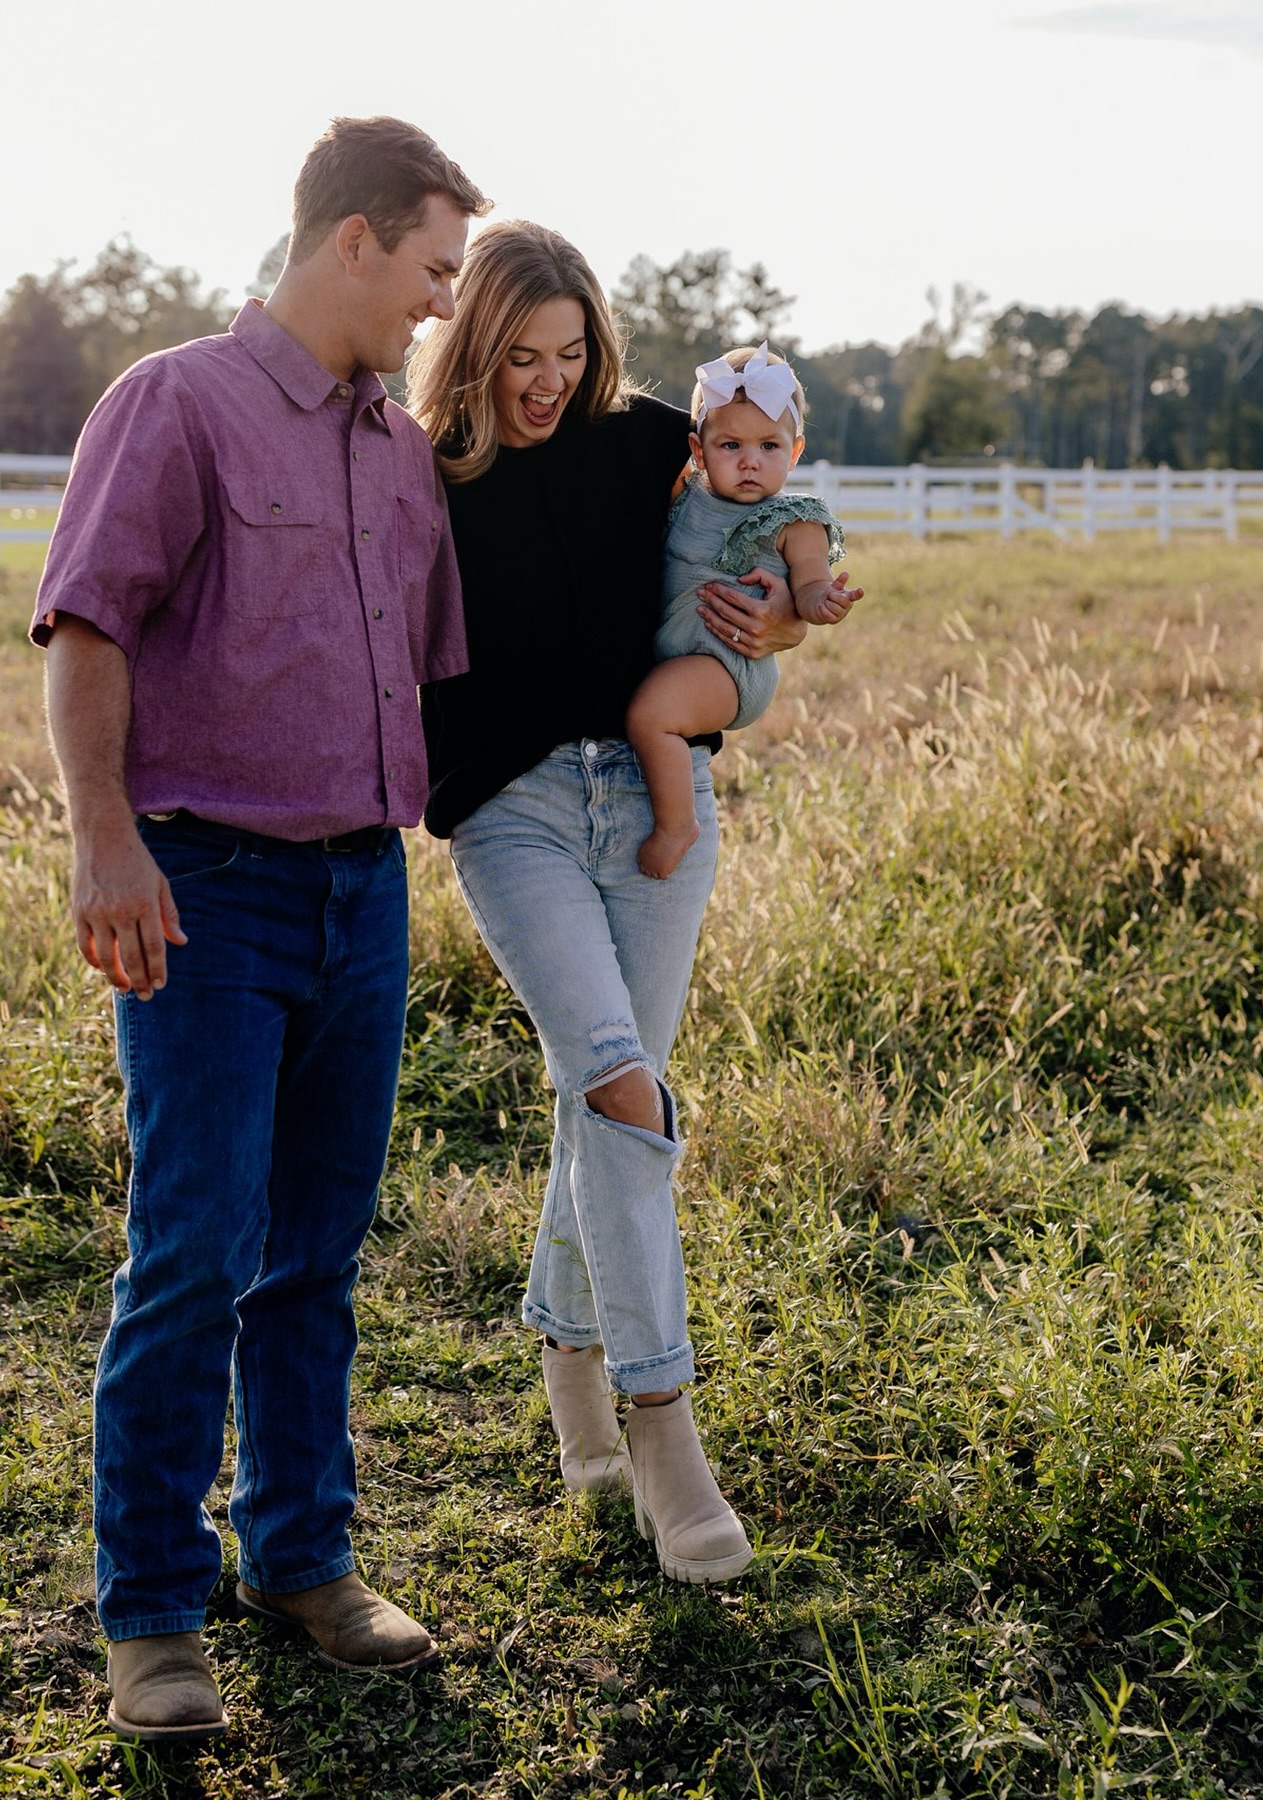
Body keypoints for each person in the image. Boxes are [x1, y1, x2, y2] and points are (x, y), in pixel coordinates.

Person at [31, 116, 489, 1742]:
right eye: (435, 269)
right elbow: (87, 629)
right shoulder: (176, 404)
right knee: (196, 1253)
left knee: (316, 1255)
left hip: (366, 895)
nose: (442, 304)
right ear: (352, 240)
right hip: (204, 895)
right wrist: (105, 846)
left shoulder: (396, 449)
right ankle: (152, 1615)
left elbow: (450, 663)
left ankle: (300, 1555)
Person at [406, 223, 858, 1586]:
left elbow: (767, 510)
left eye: (572, 353)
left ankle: (570, 1370)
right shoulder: (420, 474)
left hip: (660, 807)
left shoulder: (650, 440)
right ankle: (666, 1434)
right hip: (517, 814)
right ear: (471, 349)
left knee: (617, 1095)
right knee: (614, 1084)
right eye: (519, 357)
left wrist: (781, 615)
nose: (548, 382)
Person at [628, 343, 863, 878]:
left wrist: (822, 601)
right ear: (699, 448)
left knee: (651, 715)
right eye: (731, 443)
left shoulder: (793, 520)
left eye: (769, 446)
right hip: (683, 651)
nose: (750, 460)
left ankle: (676, 826)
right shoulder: (686, 498)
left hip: (730, 664)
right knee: (651, 703)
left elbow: (808, 583)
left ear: (795, 451)